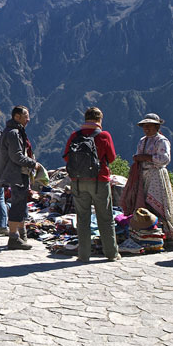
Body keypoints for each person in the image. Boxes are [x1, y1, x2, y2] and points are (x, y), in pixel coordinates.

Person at [63, 107, 120, 263]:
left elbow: (67, 158)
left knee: (82, 218)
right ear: (99, 119)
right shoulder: (104, 135)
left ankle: (83, 255)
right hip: (99, 182)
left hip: (79, 182)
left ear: (85, 118)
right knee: (105, 218)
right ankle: (111, 253)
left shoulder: (75, 136)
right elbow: (112, 157)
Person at [0, 106, 42, 250]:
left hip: (17, 173)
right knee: (17, 204)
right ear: (17, 117)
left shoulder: (11, 131)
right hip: (17, 174)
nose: (28, 119)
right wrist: (33, 164)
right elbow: (16, 156)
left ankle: (21, 234)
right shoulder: (14, 133)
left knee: (20, 204)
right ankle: (14, 237)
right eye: (25, 116)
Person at [131, 113, 173, 239]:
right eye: (145, 126)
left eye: (149, 126)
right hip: (144, 175)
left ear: (157, 127)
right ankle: (147, 231)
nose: (146, 129)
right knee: (145, 204)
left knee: (158, 204)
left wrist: (146, 157)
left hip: (156, 175)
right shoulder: (142, 141)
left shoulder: (161, 141)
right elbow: (138, 155)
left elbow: (164, 159)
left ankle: (162, 233)